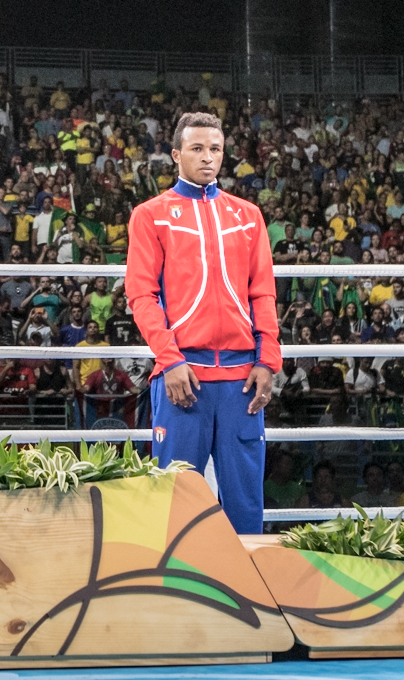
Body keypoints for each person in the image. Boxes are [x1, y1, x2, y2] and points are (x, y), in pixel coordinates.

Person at [126, 112, 282, 534]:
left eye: (215, 149)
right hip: (182, 376)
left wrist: (268, 361)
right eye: (197, 149)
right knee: (177, 505)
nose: (207, 157)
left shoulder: (248, 215)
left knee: (246, 502)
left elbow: (263, 293)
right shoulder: (150, 215)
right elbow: (142, 296)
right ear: (176, 155)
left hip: (242, 380)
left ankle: (248, 594)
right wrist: (170, 361)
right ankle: (180, 597)